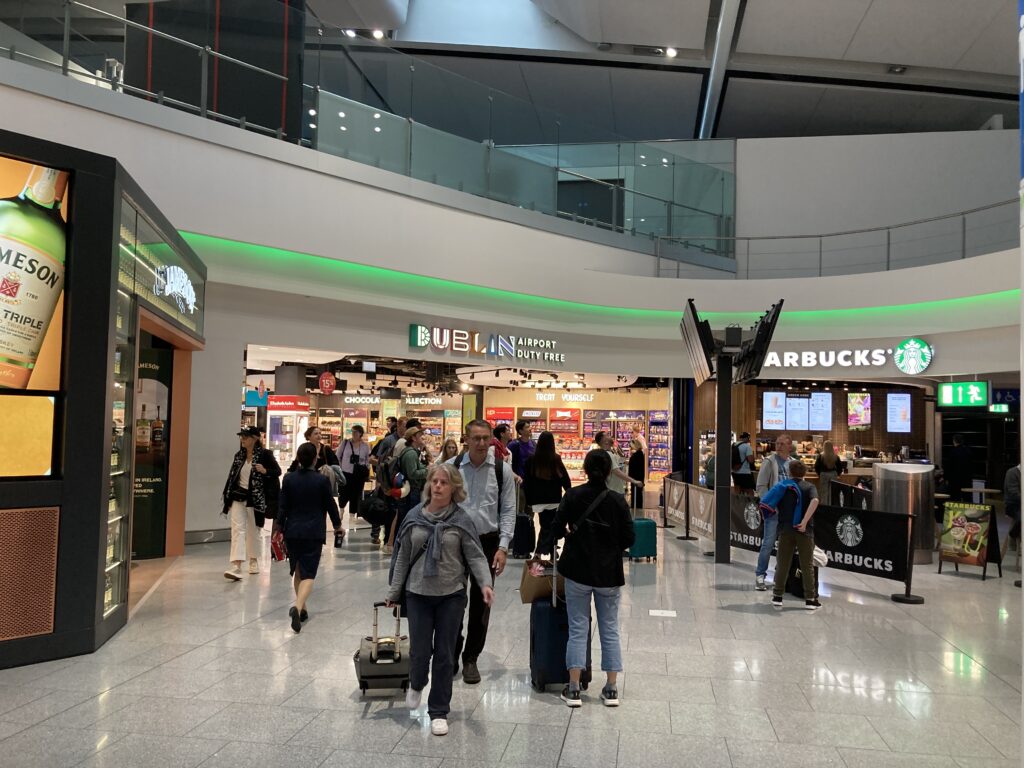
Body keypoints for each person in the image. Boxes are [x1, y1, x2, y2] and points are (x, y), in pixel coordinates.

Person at [386, 463, 494, 736]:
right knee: (421, 651)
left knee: (445, 655)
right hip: (418, 593)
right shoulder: (414, 516)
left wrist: (485, 584)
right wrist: (394, 591)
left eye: (444, 482)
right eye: (434, 481)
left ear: (454, 488)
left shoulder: (461, 520)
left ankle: (438, 710)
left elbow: (475, 556)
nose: (437, 486)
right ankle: (416, 682)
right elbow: (402, 558)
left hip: (451, 596)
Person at [536, 450, 635, 708]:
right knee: (610, 628)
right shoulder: (617, 500)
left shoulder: (573, 496)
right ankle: (611, 688)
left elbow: (555, 529)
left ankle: (573, 688)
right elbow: (629, 539)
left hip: (577, 570)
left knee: (578, 629)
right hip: (609, 574)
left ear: (585, 468)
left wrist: (570, 534)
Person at [449, 419, 517, 684]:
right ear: (466, 439)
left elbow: (508, 510)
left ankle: (471, 658)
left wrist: (503, 546)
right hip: (455, 542)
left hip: (487, 543)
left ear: (491, 439)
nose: (480, 443)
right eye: (475, 438)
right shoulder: (452, 468)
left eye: (485, 438)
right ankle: (452, 650)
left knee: (481, 604)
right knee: (452, 600)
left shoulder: (503, 471)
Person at [275, 442, 341, 632]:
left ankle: (302, 609)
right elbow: (330, 505)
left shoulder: (288, 479)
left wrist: (279, 527)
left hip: (292, 531)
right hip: (313, 531)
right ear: (315, 459)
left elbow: (283, 506)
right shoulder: (321, 481)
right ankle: (297, 606)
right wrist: (337, 525)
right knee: (309, 573)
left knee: (297, 571)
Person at [221, 426, 282, 580]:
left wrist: (265, 471)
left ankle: (253, 560)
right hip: (238, 496)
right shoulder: (239, 456)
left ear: (255, 439)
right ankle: (236, 565)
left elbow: (278, 471)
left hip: (256, 499)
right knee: (237, 529)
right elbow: (232, 477)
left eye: (246, 437)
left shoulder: (265, 455)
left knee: (254, 530)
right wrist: (227, 499)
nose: (242, 439)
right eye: (241, 436)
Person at [771, 461, 820, 611]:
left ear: (790, 472)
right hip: (805, 531)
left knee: (782, 564)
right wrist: (804, 522)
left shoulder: (783, 486)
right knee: (807, 565)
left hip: (786, 529)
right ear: (805, 472)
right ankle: (810, 599)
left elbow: (770, 503)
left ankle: (777, 596)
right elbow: (815, 501)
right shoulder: (809, 487)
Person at [754, 433, 794, 591]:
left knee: (785, 545)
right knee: (768, 543)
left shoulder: (793, 463)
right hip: (773, 511)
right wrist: (769, 504)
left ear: (789, 446)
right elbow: (761, 486)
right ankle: (760, 575)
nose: (778, 446)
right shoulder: (769, 462)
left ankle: (780, 576)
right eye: (777, 443)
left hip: (788, 512)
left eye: (782, 444)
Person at [524, 431, 572, 547]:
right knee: (549, 525)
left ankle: (543, 552)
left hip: (537, 499)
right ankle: (547, 551)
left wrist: (529, 500)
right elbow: (564, 478)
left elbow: (527, 481)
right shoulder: (555, 458)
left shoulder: (531, 459)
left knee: (545, 525)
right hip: (554, 498)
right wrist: (569, 493)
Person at [386, 426, 430, 554]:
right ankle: (401, 546)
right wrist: (427, 471)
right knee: (407, 518)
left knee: (405, 517)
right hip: (411, 491)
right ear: (413, 438)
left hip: (411, 491)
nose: (422, 437)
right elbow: (412, 473)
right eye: (420, 436)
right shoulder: (410, 453)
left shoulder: (412, 451)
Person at [337, 424, 371, 527]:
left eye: (355, 432)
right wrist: (339, 468)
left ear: (360, 433)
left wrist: (367, 470)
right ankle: (341, 510)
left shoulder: (365, 446)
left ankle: (352, 514)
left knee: (355, 494)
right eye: (352, 432)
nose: (353, 434)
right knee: (343, 492)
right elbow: (338, 456)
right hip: (346, 472)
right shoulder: (345, 443)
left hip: (358, 473)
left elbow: (367, 460)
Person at [591, 431, 641, 499]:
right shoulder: (609, 455)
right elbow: (616, 471)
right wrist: (634, 481)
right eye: (608, 435)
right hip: (613, 492)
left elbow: (620, 462)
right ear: (604, 440)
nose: (611, 436)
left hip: (614, 490)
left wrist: (625, 460)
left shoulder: (610, 453)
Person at [814, 441, 843, 506]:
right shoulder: (836, 456)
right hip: (833, 474)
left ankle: (824, 508)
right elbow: (840, 467)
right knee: (832, 492)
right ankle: (832, 507)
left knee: (824, 492)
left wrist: (819, 474)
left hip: (823, 474)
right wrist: (838, 474)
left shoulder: (821, 456)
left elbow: (816, 467)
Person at [946, 434, 973, 502]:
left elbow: (949, 466)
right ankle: (968, 512)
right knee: (967, 498)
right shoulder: (968, 451)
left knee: (955, 499)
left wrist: (946, 477)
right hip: (966, 479)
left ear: (954, 441)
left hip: (955, 480)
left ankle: (955, 512)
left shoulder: (953, 452)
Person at [1003, 464, 1021, 558]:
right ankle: (1013, 535)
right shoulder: (1012, 473)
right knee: (1021, 518)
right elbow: (1014, 494)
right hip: (1013, 504)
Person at [627, 438, 645, 511]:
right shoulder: (639, 453)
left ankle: (636, 507)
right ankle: (637, 506)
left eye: (631, 446)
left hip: (636, 477)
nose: (630, 448)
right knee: (637, 493)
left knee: (636, 493)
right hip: (637, 476)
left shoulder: (637, 454)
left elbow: (635, 465)